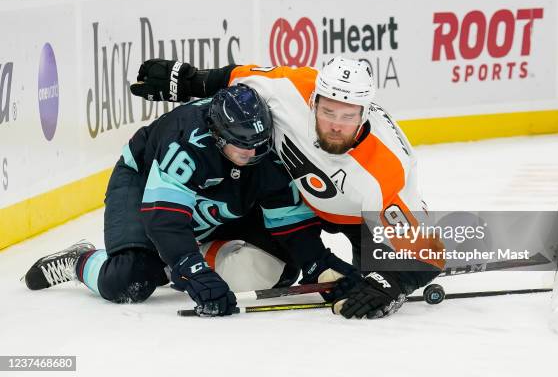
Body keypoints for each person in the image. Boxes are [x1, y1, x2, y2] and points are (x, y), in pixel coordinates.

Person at [129, 56, 446, 319]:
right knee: (279, 263)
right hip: (295, 203)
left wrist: (391, 283)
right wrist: (189, 81)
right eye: (327, 112)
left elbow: (431, 253)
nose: (335, 126)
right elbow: (236, 77)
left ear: (364, 115)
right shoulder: (288, 89)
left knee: (370, 276)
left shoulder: (388, 171)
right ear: (313, 100)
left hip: (358, 217)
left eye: (348, 116)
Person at [24, 84, 358, 316]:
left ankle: (177, 262)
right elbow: (164, 219)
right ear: (216, 134)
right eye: (241, 144)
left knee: (280, 268)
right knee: (131, 280)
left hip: (217, 202)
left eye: (258, 142)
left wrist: (320, 264)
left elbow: (288, 220)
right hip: (143, 184)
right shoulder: (186, 142)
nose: (251, 152)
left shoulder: (264, 150)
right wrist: (192, 270)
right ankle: (79, 260)